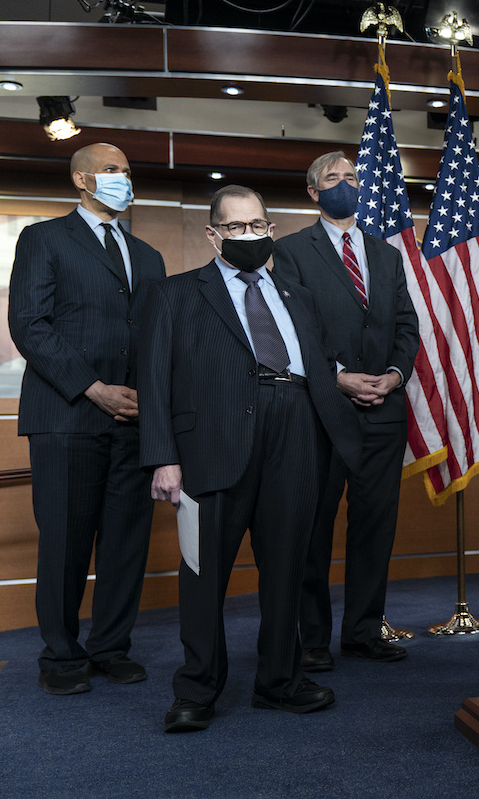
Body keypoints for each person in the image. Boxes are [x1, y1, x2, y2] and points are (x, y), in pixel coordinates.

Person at [138, 185, 359, 732]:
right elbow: (153, 380)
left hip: (297, 431)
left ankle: (278, 682)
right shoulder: (176, 294)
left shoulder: (297, 296)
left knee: (287, 566)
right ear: (213, 235)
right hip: (212, 444)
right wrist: (162, 458)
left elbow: (320, 365)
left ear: (271, 230)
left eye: (257, 226)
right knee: (203, 573)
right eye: (235, 228)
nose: (248, 236)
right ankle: (196, 690)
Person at [8, 142, 166, 695]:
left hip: (135, 420)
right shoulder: (44, 238)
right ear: (81, 179)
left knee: (125, 543)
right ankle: (61, 656)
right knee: (66, 541)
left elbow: (154, 338)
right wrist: (94, 388)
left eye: (127, 169)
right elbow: (30, 325)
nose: (124, 177)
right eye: (111, 170)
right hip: (68, 414)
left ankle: (111, 647)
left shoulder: (147, 255)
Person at [273, 151, 419, 672]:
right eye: (333, 179)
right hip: (323, 409)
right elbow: (294, 327)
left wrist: (395, 376)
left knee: (375, 526)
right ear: (313, 193)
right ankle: (313, 638)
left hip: (384, 407)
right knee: (314, 527)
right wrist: (336, 376)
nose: (345, 185)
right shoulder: (288, 251)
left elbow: (407, 325)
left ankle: (363, 630)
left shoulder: (387, 254)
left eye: (352, 178)